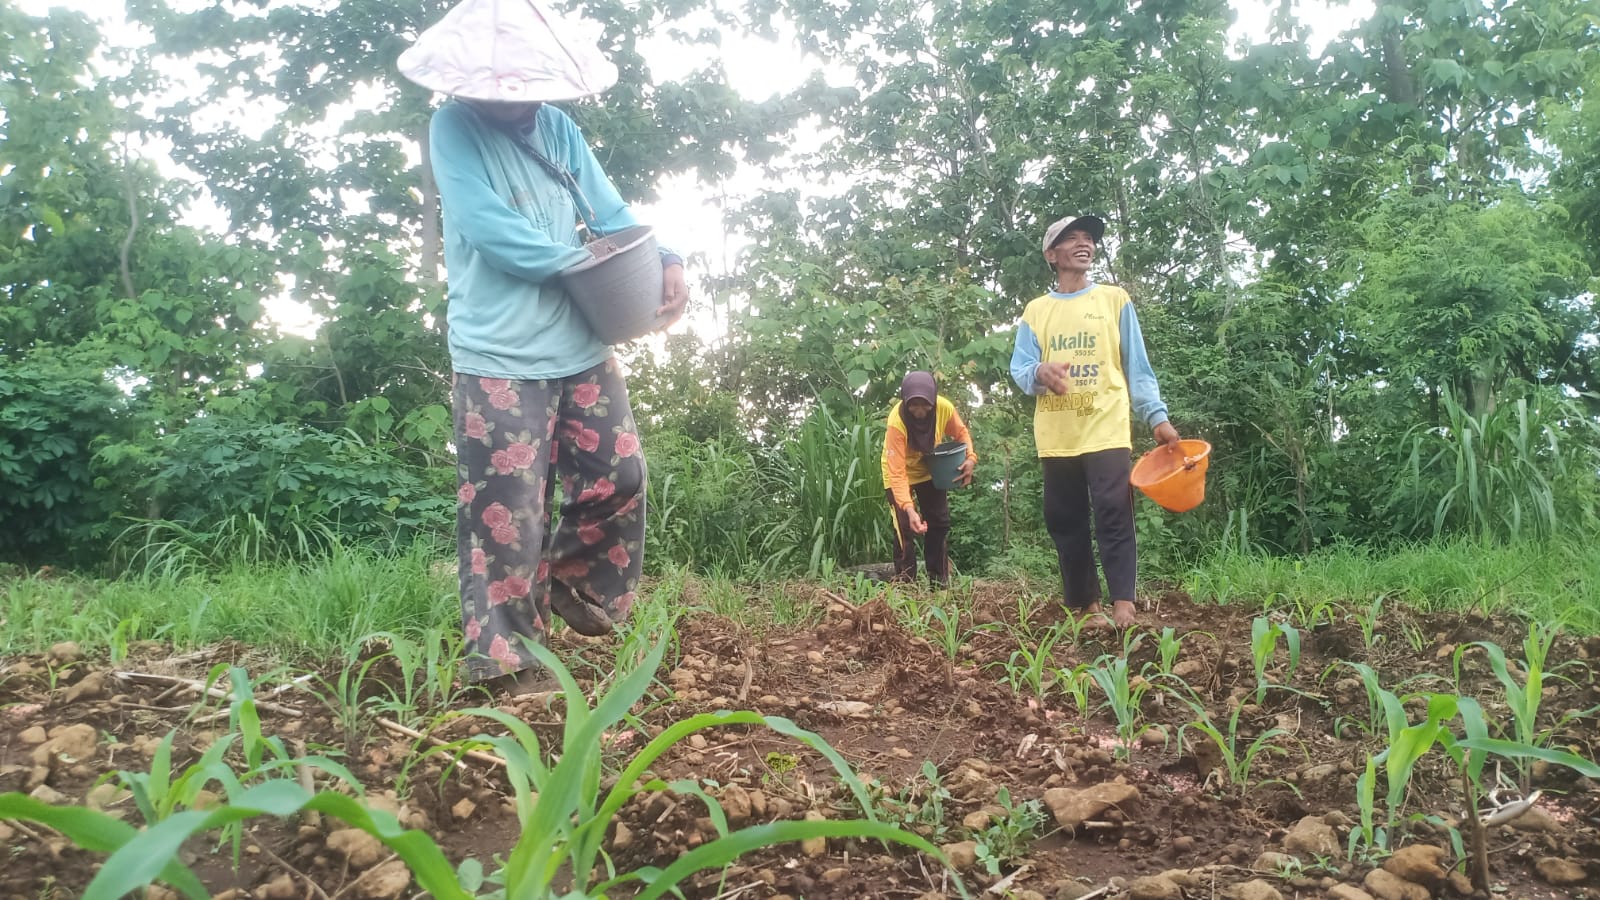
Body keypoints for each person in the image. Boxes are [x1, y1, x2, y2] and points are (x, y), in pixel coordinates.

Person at [398, 0, 688, 693]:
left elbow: (610, 211)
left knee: (619, 478)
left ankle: (577, 587)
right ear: (470, 85)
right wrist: (580, 265)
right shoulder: (453, 128)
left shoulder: (556, 128)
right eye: (506, 92)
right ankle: (504, 665)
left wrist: (666, 257)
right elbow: (486, 227)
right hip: (499, 356)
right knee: (505, 516)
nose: (519, 104)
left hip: (579, 343)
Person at [1009, 215, 1180, 629]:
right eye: (1072, 239)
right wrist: (1039, 373)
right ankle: (1087, 605)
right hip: (1057, 433)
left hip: (1105, 425)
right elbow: (1020, 368)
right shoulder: (1037, 311)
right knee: (1064, 518)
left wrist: (1156, 416)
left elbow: (1136, 366)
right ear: (1052, 255)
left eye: (1088, 238)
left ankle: (1124, 602)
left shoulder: (1113, 300)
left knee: (1112, 509)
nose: (1084, 244)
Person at [880, 371, 977, 586]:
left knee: (939, 523)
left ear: (933, 400)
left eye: (925, 405)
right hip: (897, 473)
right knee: (904, 527)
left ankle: (939, 582)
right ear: (905, 401)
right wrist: (909, 508)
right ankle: (906, 586)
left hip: (927, 468)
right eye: (913, 405)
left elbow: (961, 434)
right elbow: (897, 473)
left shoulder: (944, 408)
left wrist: (970, 458)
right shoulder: (897, 422)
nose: (919, 411)